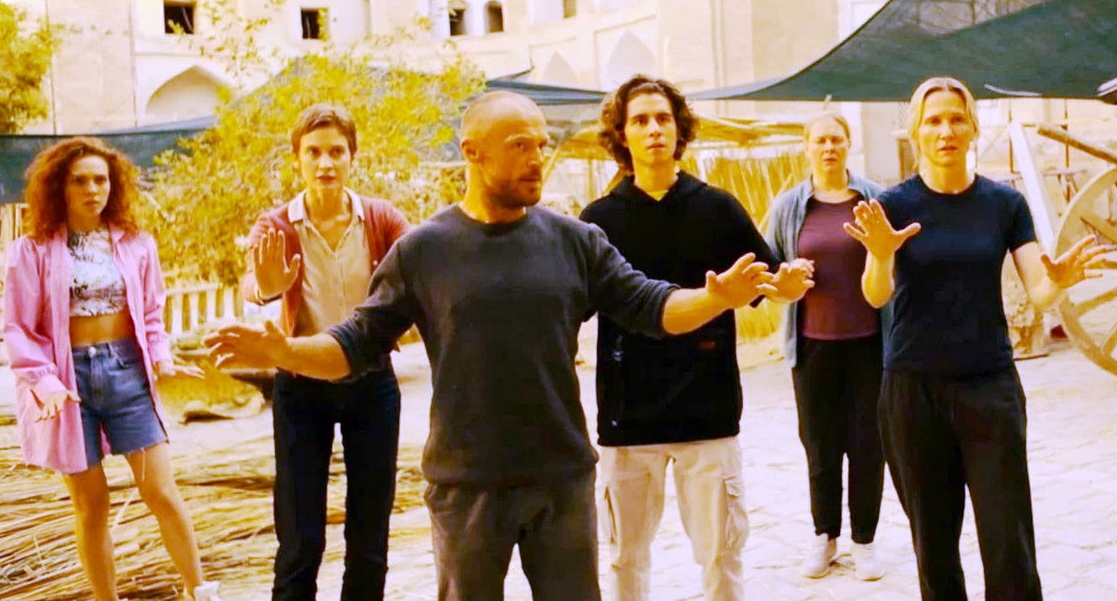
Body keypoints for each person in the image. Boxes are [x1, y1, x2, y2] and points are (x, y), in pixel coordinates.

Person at [206, 91, 813, 601]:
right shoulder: (424, 250)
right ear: (472, 152)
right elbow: (354, 344)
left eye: (542, 144)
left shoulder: (576, 241)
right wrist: (285, 352)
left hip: (562, 481)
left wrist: (714, 299)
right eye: (521, 144)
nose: (537, 158)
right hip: (466, 487)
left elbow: (652, 306)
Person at [846, 77, 1108, 601]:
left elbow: (1039, 291)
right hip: (913, 392)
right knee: (934, 547)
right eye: (933, 120)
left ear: (972, 128)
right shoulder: (892, 205)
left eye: (956, 119)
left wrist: (1058, 280)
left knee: (1009, 541)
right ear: (916, 132)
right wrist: (879, 253)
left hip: (990, 388)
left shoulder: (1004, 204)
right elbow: (876, 294)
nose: (945, 130)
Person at [579, 75, 812, 601]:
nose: (653, 129)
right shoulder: (598, 221)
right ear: (622, 134)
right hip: (627, 417)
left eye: (663, 118)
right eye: (640, 120)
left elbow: (767, 280)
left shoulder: (717, 208)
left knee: (721, 559)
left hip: (707, 412)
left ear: (679, 128)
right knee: (623, 561)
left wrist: (789, 285)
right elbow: (573, 306)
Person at [3, 137, 224, 601]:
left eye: (100, 180)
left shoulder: (137, 244)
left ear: (114, 184)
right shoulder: (31, 250)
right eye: (79, 180)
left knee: (160, 490)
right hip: (67, 382)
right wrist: (45, 382)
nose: (92, 189)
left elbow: (152, 313)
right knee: (92, 504)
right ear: (59, 187)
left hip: (127, 373)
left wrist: (162, 359)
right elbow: (19, 328)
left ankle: (200, 591)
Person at [238, 104, 410, 601]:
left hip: (371, 379)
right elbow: (253, 284)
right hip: (301, 384)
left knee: (370, 530)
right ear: (297, 159)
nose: (325, 163)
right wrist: (267, 287)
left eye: (336, 151)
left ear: (353, 157)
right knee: (299, 533)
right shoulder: (276, 224)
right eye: (313, 152)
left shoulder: (381, 218)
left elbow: (417, 274)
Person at [767, 112, 888, 581]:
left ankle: (865, 540)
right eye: (820, 141)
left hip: (869, 344)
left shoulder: (873, 198)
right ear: (807, 147)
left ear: (848, 144)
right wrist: (785, 280)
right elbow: (770, 272)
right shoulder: (789, 207)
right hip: (812, 347)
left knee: (867, 444)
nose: (829, 148)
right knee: (819, 444)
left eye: (836, 140)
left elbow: (892, 261)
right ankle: (825, 536)